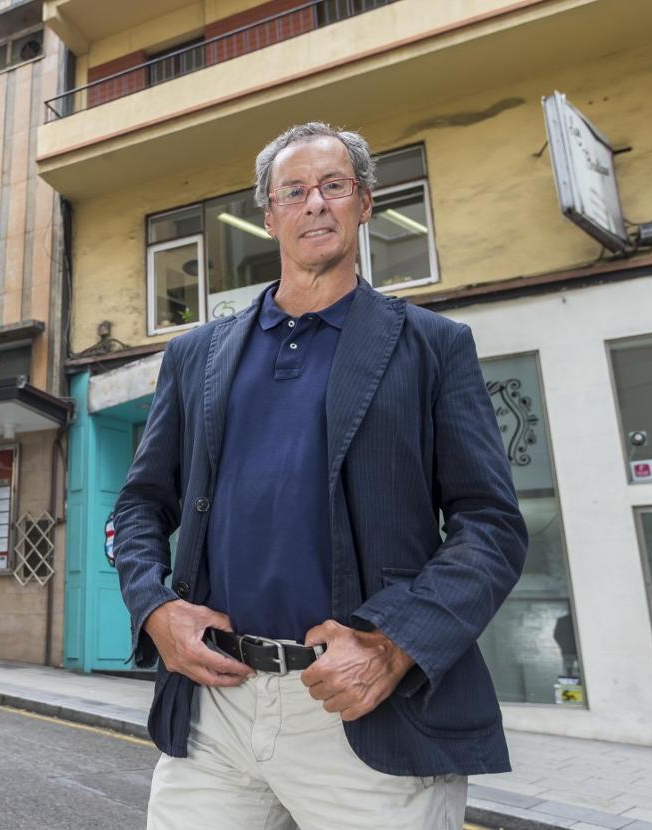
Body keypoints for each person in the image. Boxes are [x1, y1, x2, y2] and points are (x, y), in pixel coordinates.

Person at [113, 122, 528, 829]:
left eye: (333, 186)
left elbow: (491, 527)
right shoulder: (196, 356)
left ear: (364, 203)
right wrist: (154, 609)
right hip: (217, 710)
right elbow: (141, 504)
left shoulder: (434, 347)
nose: (315, 204)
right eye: (294, 191)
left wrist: (393, 644)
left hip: (364, 709)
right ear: (268, 214)